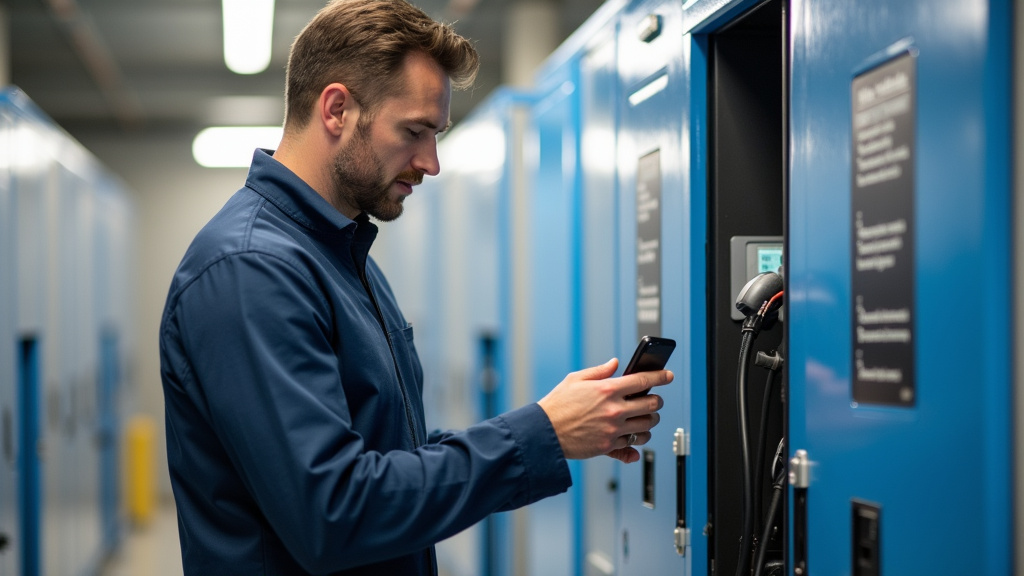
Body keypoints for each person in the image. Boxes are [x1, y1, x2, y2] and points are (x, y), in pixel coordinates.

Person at [158, 0, 673, 574]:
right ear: (337, 109)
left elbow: (387, 455)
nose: (430, 163)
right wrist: (539, 433)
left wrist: (552, 428)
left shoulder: (340, 253)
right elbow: (334, 513)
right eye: (414, 131)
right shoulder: (251, 270)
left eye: (437, 134)